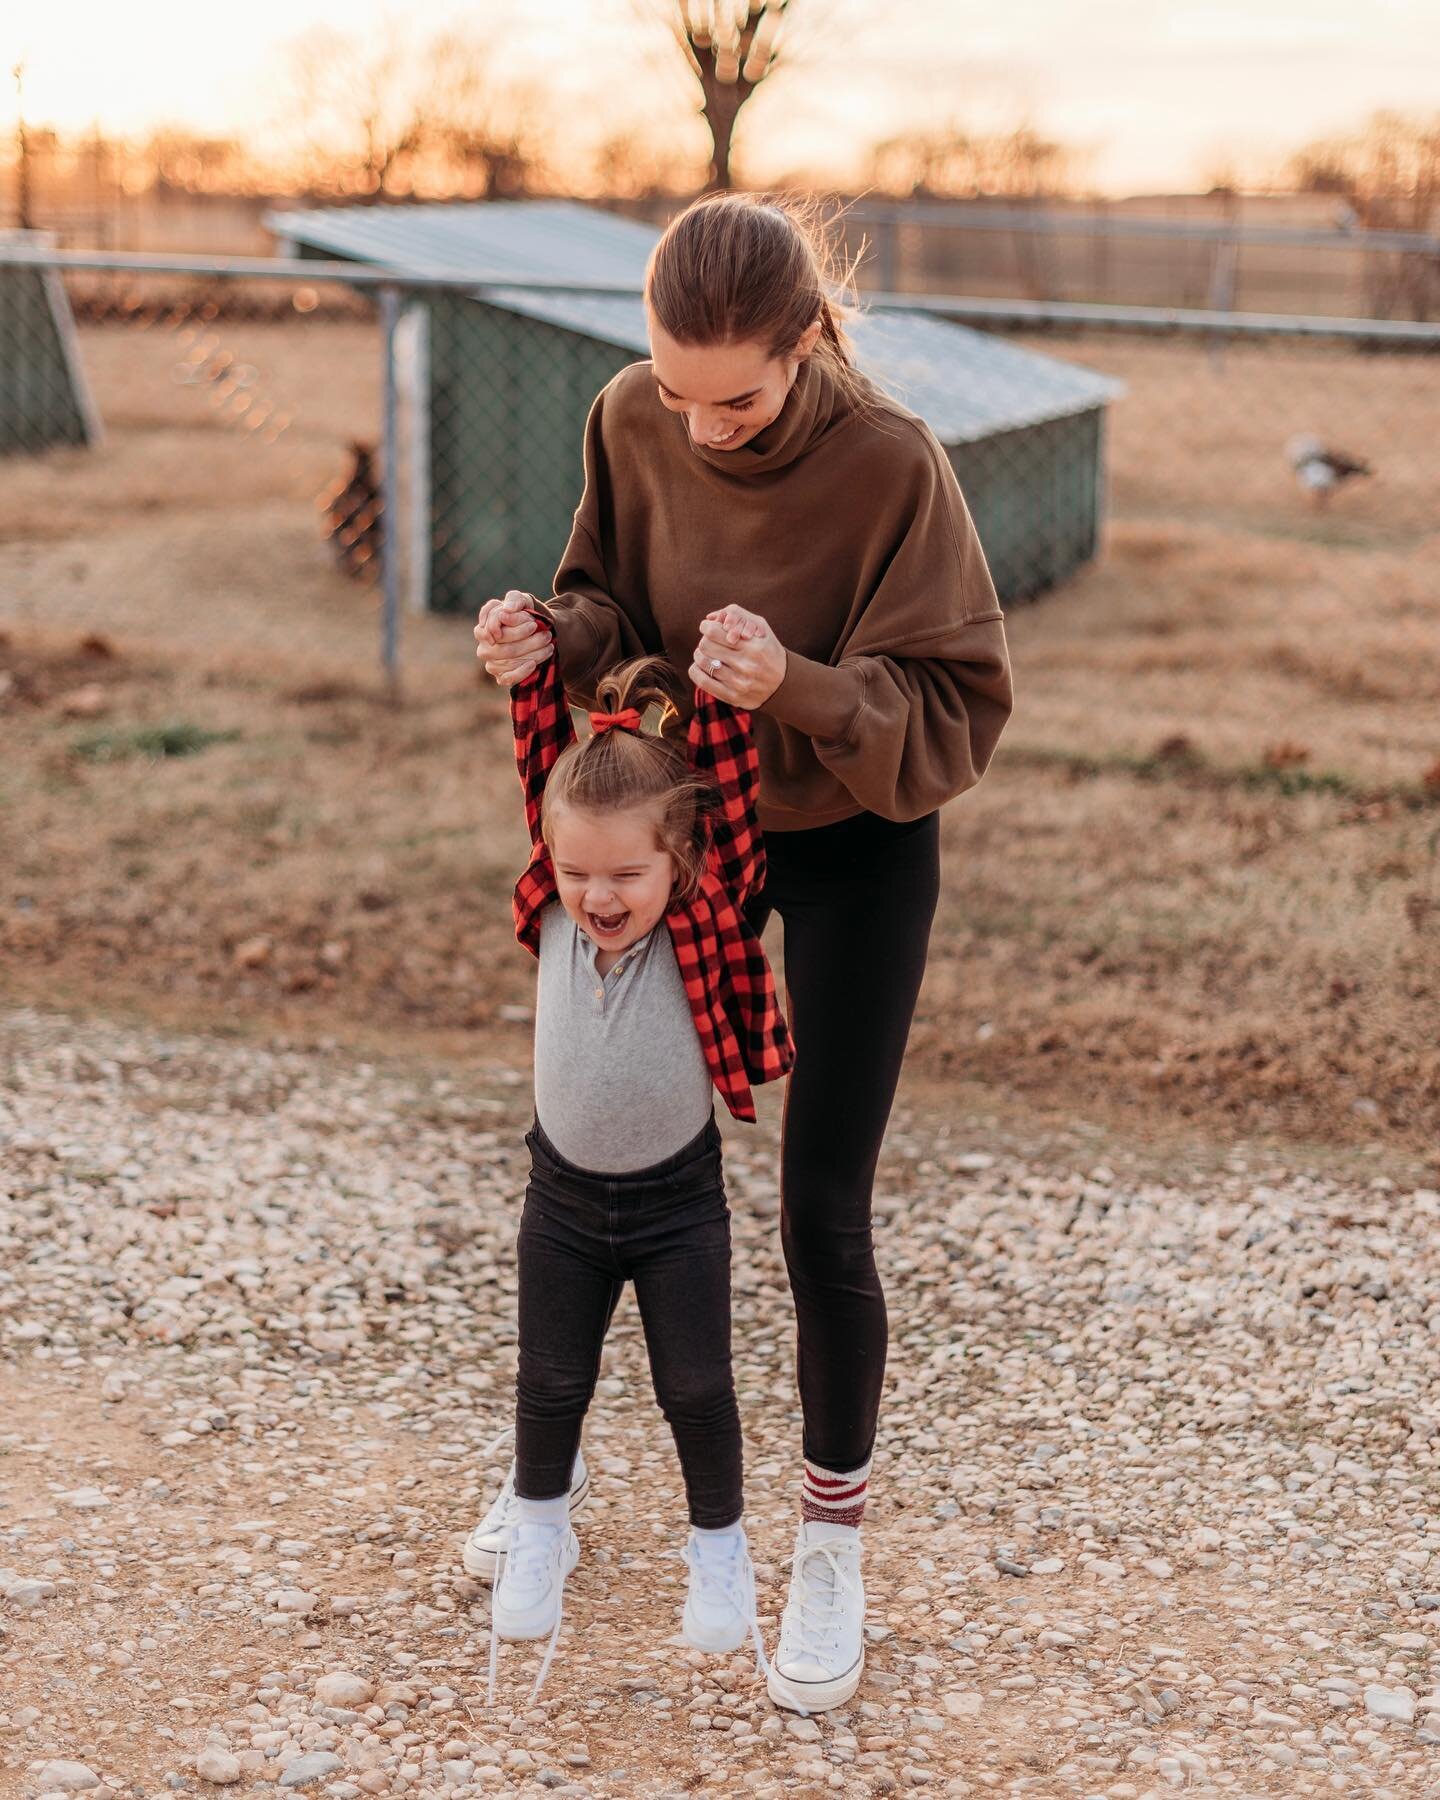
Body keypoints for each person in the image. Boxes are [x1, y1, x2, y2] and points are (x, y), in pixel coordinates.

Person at [472, 192, 1014, 1715]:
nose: (701, 425)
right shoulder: (629, 415)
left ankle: (828, 1548)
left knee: (822, 1215)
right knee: (590, 1141)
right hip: (696, 818)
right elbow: (607, 605)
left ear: (805, 342)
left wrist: (802, 684)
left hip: (851, 838)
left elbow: (956, 712)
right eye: (675, 387)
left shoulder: (893, 466)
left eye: (740, 395)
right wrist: (548, 638)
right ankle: (541, 1484)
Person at [480, 616, 794, 1705]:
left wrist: (725, 693)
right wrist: (528, 672)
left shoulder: (704, 915)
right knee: (550, 1380)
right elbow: (537, 765)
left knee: (696, 1384)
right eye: (576, 872)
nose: (598, 898)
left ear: (682, 865)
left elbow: (733, 801)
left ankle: (719, 1553)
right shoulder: (558, 906)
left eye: (625, 874)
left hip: (676, 1208)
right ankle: (538, 1530)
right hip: (560, 1201)